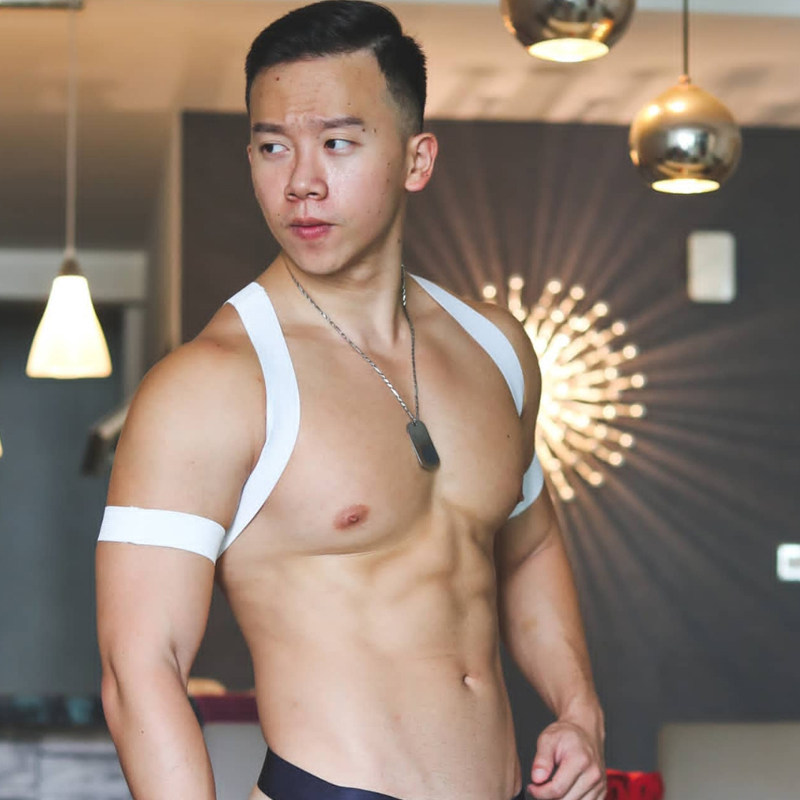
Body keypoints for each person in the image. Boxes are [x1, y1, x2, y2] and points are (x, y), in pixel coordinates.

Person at [95, 2, 606, 799]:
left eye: (337, 142)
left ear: (416, 159)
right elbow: (140, 670)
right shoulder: (211, 385)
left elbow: (530, 545)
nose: (301, 181)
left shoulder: (497, 349)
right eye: (273, 146)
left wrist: (579, 711)